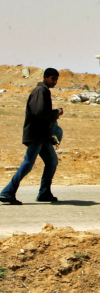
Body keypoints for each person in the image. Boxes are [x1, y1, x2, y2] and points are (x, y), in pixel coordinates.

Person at [0, 68, 64, 205]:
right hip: (36, 135)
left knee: (52, 161)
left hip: (43, 136)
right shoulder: (41, 91)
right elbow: (39, 113)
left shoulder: (44, 91)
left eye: (56, 79)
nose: (55, 81)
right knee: (28, 163)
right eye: (52, 78)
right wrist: (56, 113)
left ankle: (44, 193)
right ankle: (7, 192)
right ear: (45, 77)